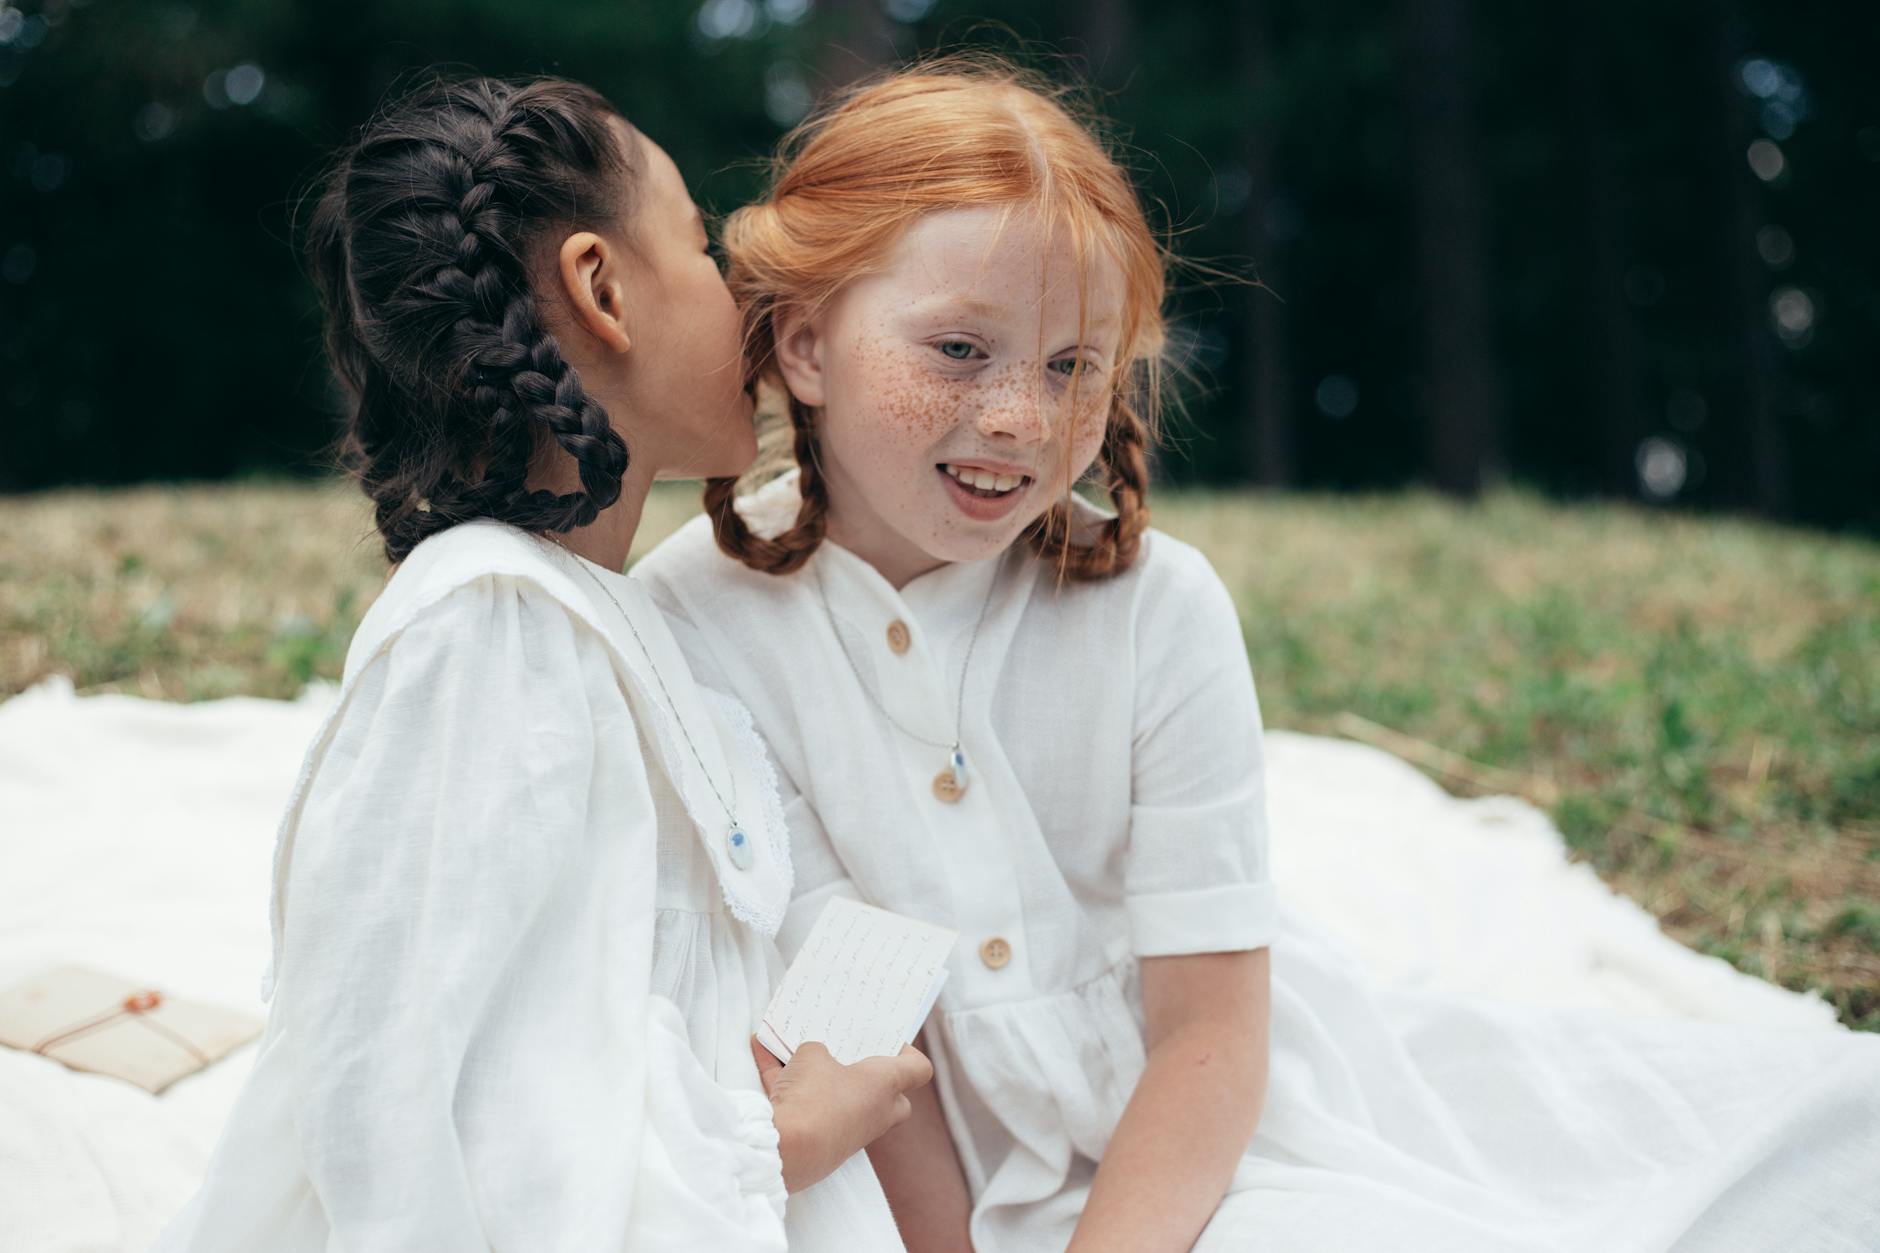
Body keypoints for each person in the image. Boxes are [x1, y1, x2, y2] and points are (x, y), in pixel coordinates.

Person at [635, 57, 1880, 1253]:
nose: (1018, 416)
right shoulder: (698, 622)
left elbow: (1207, 1032)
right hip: (903, 1158)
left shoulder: (1155, 609)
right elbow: (854, 1022)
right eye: (957, 350)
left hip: (1206, 1124)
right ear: (804, 344)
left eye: (1073, 365)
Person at [153, 75, 926, 1252]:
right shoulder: (485, 637)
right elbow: (407, 1096)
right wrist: (782, 1143)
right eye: (703, 248)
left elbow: (582, 998)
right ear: (600, 288)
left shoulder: (602, 621)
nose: (747, 298)